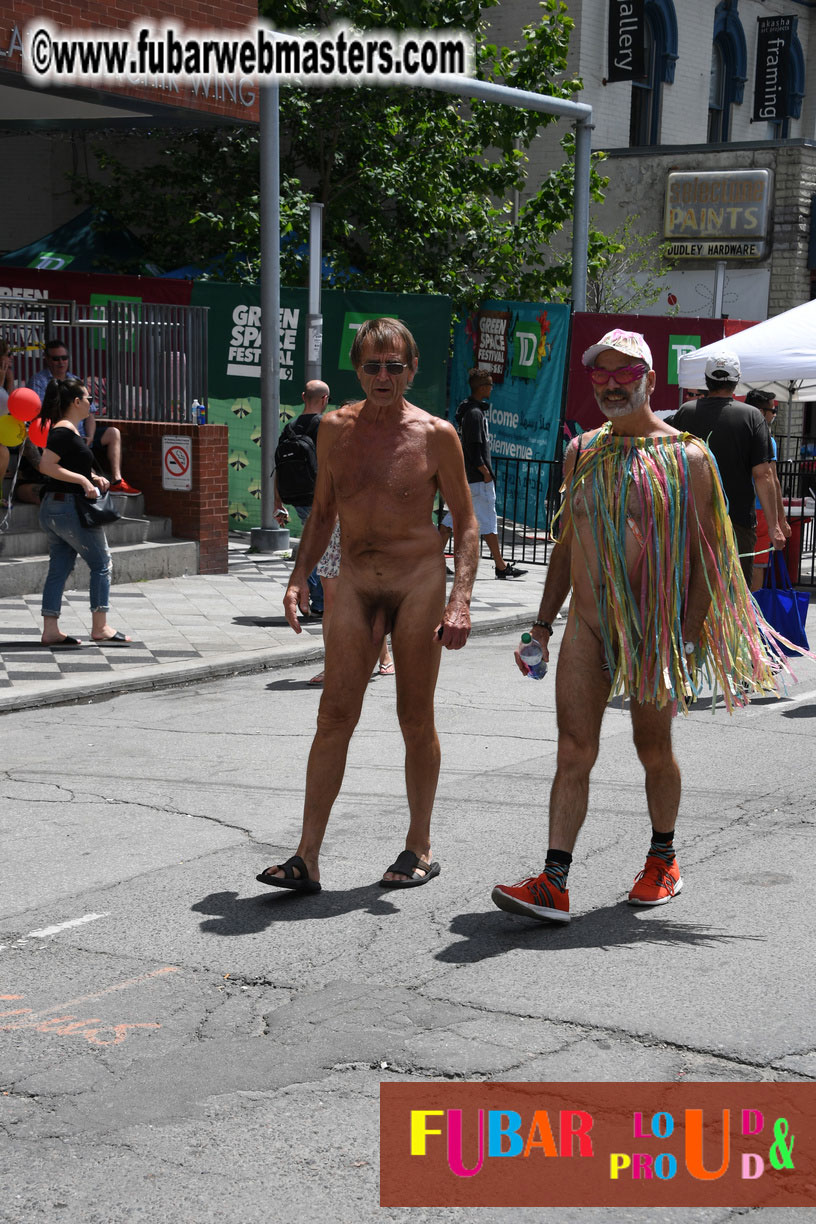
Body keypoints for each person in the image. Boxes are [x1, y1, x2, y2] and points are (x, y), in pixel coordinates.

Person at [491, 329, 786, 926]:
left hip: (653, 629)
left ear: (651, 380)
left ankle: (663, 859)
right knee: (573, 750)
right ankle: (554, 881)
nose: (612, 384)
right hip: (588, 627)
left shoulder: (688, 456)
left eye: (625, 373)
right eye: (601, 374)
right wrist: (542, 627)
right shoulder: (583, 452)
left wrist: (691, 631)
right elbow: (568, 544)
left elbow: (711, 554)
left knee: (653, 748)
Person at [256, 317, 478, 892]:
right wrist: (297, 577)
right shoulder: (334, 428)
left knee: (413, 716)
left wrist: (460, 600)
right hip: (353, 580)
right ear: (356, 369)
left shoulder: (436, 435)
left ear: (412, 369)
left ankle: (419, 847)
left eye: (395, 365)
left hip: (417, 581)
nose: (384, 376)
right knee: (334, 713)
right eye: (372, 365)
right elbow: (324, 511)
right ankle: (307, 857)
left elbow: (467, 523)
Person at [667, 351, 783, 588]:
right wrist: (774, 526)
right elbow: (764, 475)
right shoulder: (752, 416)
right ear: (737, 379)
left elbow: (670, 465)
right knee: (735, 595)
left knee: (692, 592)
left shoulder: (686, 412)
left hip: (691, 520)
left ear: (707, 379)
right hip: (737, 521)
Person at [36, 378, 132, 649]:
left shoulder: (70, 432)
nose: (92, 402)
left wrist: (92, 476)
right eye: (88, 398)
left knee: (59, 568)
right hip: (67, 508)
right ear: (76, 402)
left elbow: (67, 464)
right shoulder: (63, 431)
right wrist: (84, 482)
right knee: (102, 563)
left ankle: (51, 631)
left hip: (58, 508)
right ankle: (100, 627)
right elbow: (46, 465)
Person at [439, 368, 527, 579]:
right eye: (489, 385)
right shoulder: (475, 413)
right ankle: (501, 566)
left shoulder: (469, 410)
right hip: (478, 479)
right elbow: (473, 446)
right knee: (488, 520)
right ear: (483, 388)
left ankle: (434, 561)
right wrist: (485, 471)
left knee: (452, 518)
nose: (492, 388)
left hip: (469, 477)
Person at [29, 340, 141, 496]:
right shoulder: (39, 383)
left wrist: (90, 436)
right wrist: (85, 481)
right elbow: (44, 415)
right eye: (56, 358)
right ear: (47, 359)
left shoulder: (75, 380)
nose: (61, 362)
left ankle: (117, 480)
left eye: (64, 357)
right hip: (65, 439)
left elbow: (91, 416)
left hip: (80, 435)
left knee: (113, 432)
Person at [308, 517, 393, 686]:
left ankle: (383, 654)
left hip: (368, 533)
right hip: (333, 533)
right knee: (330, 604)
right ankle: (331, 665)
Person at [273, 379, 329, 617]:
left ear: (304, 396)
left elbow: (279, 467)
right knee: (323, 548)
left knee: (317, 545)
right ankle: (317, 601)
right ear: (325, 400)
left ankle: (315, 599)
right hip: (320, 497)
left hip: (296, 497)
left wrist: (278, 502)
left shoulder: (290, 427)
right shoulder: (325, 425)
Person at [744, 389, 791, 590]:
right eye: (772, 411)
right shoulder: (765, 438)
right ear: (761, 412)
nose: (773, 415)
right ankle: (753, 616)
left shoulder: (732, 432)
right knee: (757, 564)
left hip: (731, 506)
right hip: (760, 509)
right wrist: (781, 519)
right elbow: (772, 480)